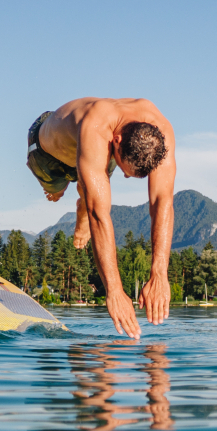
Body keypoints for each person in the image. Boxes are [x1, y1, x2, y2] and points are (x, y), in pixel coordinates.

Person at [27, 98, 176, 337]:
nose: (126, 178)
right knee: (58, 192)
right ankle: (78, 202)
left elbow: (163, 202)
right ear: (116, 140)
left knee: (93, 187)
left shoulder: (160, 132)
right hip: (48, 152)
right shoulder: (97, 126)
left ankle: (84, 200)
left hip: (91, 154)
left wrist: (160, 273)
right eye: (125, 171)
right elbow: (100, 215)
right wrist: (114, 289)